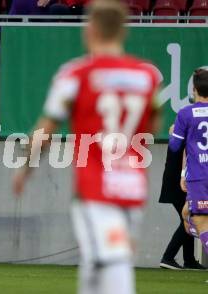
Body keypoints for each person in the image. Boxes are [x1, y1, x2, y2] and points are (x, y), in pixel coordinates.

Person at [12, 1, 160, 293]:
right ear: (123, 31)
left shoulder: (75, 75)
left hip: (95, 186)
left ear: (90, 29)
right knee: (97, 261)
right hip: (131, 183)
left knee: (112, 259)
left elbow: (46, 129)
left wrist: (25, 169)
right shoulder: (148, 76)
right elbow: (152, 125)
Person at [169, 68, 208, 258]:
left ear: (194, 89)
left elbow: (175, 146)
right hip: (194, 176)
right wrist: (183, 173)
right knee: (187, 215)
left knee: (200, 221)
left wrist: (173, 132)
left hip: (200, 176)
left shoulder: (186, 114)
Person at [159, 124, 206, 270]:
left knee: (188, 218)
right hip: (180, 182)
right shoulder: (186, 137)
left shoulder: (180, 135)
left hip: (176, 181)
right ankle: (168, 257)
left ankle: (189, 259)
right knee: (189, 218)